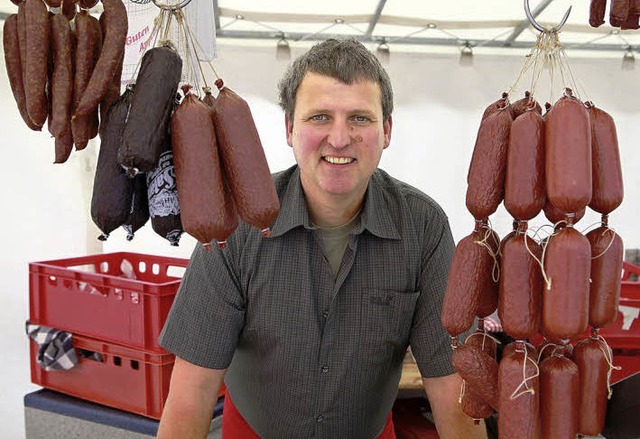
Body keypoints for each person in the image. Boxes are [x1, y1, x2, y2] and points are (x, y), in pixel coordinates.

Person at [157, 38, 487, 439]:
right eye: (319, 117)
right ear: (290, 129)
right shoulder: (237, 224)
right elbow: (192, 390)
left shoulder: (423, 226)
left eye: (360, 118)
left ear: (386, 131)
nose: (339, 137)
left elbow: (452, 385)